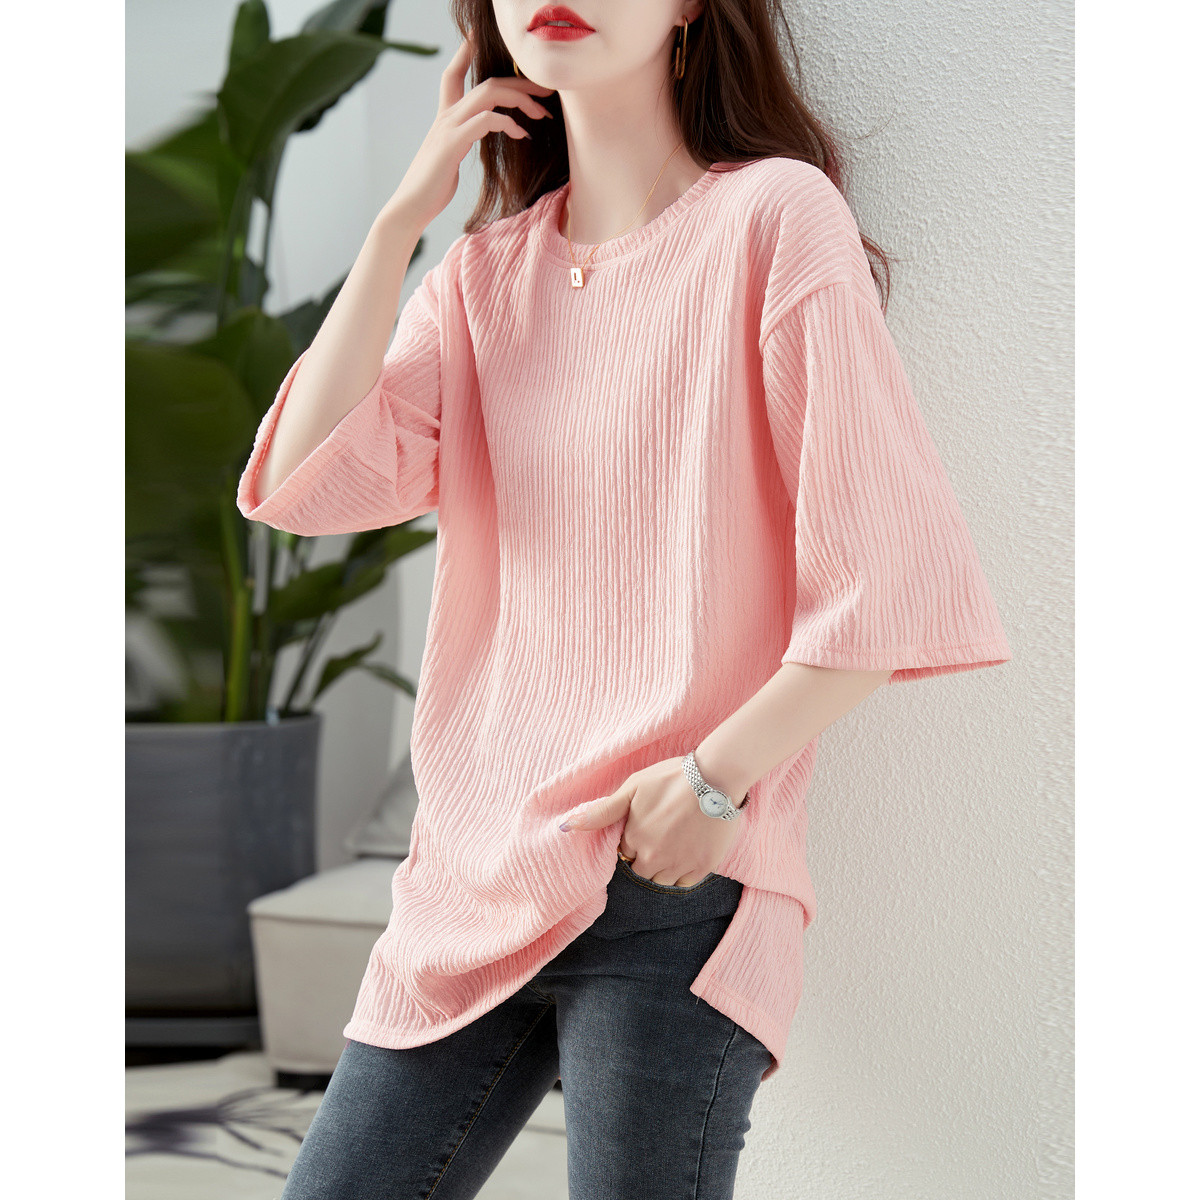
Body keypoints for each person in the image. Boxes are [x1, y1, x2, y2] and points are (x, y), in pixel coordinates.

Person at [238, 3, 1012, 1197]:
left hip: (670, 884)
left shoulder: (772, 217)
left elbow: (888, 576)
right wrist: (400, 223)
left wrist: (712, 782)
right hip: (470, 878)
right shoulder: (481, 279)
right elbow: (301, 485)